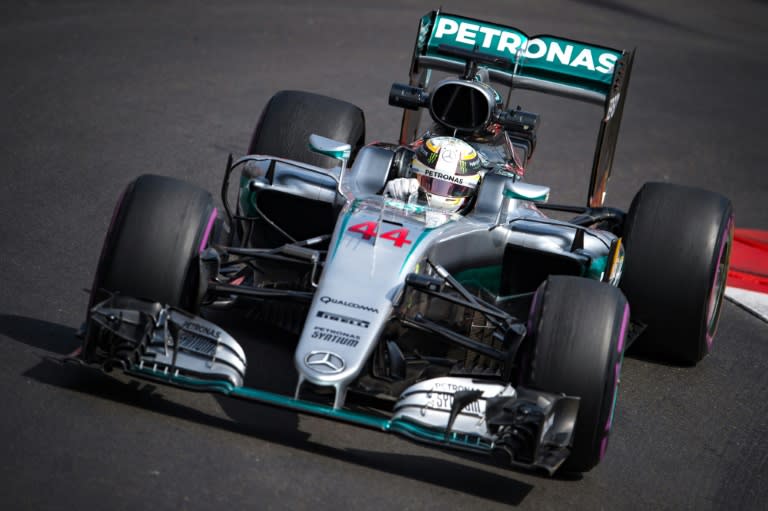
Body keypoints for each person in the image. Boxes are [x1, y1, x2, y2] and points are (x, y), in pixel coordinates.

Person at [384, 136, 482, 213]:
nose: (440, 195)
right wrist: (388, 198)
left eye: (453, 188)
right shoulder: (402, 189)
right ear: (410, 173)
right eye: (429, 182)